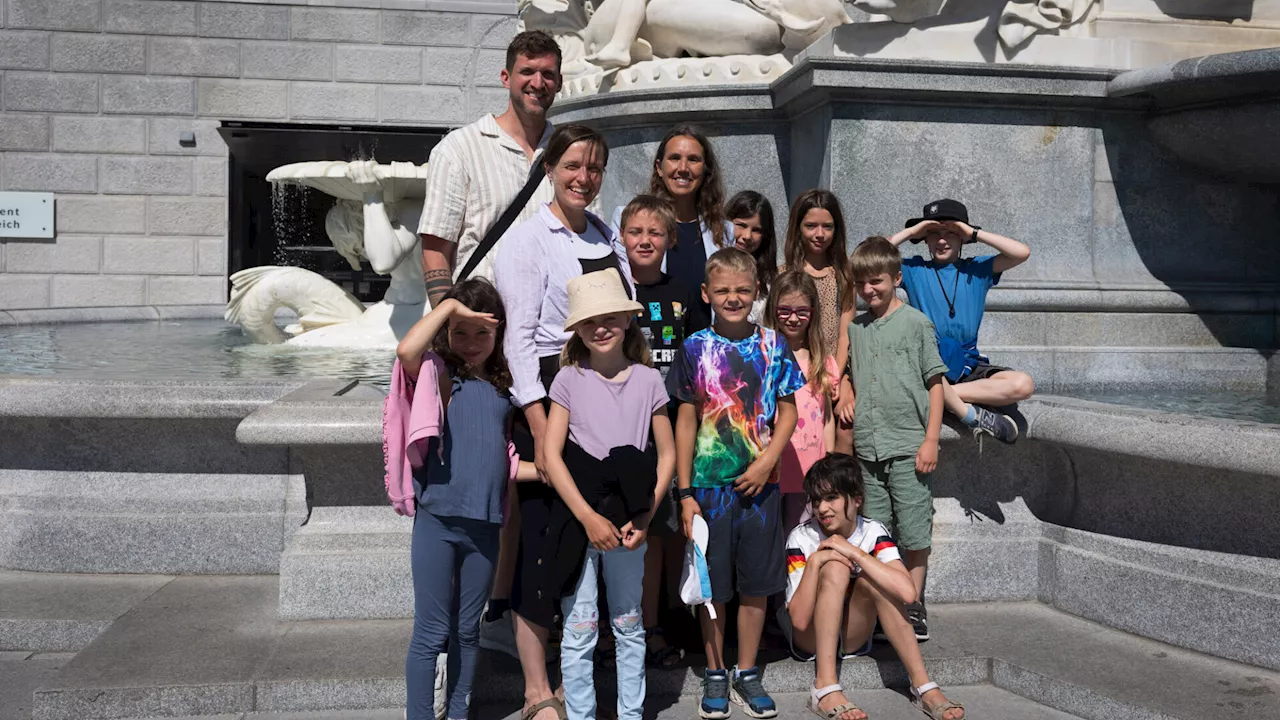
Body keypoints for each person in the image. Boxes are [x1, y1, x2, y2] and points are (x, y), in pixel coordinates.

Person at [417, 28, 562, 661]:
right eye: (528, 71)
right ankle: (463, 620)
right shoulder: (462, 148)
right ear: (506, 77)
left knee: (519, 484)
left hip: (541, 347)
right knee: (479, 485)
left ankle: (501, 608)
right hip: (481, 349)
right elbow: (436, 245)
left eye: (549, 73)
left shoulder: (563, 152)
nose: (538, 82)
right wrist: (454, 344)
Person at [493, 124, 632, 720]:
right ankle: (535, 690)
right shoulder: (528, 239)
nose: (584, 178)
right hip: (551, 395)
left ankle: (585, 664)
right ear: (550, 168)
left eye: (595, 168)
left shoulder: (606, 233)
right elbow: (518, 340)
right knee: (546, 544)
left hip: (607, 391)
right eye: (573, 165)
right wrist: (539, 419)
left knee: (594, 536)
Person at [393, 280, 538, 720]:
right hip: (438, 522)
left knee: (466, 631)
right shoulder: (437, 373)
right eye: (461, 332)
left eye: (482, 333)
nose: (471, 343)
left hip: (486, 526)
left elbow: (504, 460)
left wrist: (558, 473)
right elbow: (405, 351)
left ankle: (458, 714)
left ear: (499, 335)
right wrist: (451, 306)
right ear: (446, 334)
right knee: (431, 632)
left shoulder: (504, 387)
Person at [670, 248, 805, 720]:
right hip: (707, 491)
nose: (733, 298)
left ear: (757, 293)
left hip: (759, 489)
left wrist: (769, 461)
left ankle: (746, 671)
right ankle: (714, 670)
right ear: (707, 294)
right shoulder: (694, 349)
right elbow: (685, 420)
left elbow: (788, 409)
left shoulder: (773, 345)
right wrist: (684, 493)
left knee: (754, 586)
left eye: (742, 291)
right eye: (723, 290)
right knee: (712, 590)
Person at [541, 270, 676, 720]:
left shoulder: (648, 380)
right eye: (589, 321)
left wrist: (646, 515)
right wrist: (586, 517)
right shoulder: (567, 380)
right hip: (582, 518)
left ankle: (631, 714)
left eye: (610, 318)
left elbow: (668, 454)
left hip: (631, 516)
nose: (600, 328)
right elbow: (551, 456)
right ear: (578, 329)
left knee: (628, 621)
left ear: (627, 320)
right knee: (578, 627)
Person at [783, 455, 965, 720]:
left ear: (857, 499)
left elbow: (907, 593)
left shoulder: (872, 531)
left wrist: (856, 554)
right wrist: (816, 563)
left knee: (877, 580)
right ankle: (824, 687)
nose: (822, 508)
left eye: (831, 497)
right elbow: (798, 620)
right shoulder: (802, 536)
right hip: (809, 638)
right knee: (834, 565)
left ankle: (923, 686)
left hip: (852, 633)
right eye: (816, 500)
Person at [617, 193, 709, 668]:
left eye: (656, 232)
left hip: (675, 424)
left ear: (671, 239)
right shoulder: (613, 291)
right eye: (636, 232)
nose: (646, 240)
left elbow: (698, 360)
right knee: (641, 528)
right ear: (622, 237)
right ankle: (637, 623)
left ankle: (672, 616)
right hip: (628, 428)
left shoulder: (686, 292)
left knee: (672, 527)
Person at [839, 236, 946, 642]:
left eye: (877, 282)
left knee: (915, 529)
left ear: (896, 278)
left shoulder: (917, 323)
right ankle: (886, 603)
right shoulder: (857, 328)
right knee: (878, 531)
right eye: (862, 283)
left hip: (907, 444)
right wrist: (846, 389)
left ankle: (914, 603)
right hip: (869, 445)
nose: (869, 290)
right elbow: (848, 371)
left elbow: (936, 384)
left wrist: (931, 439)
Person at [888, 199, 1031, 444]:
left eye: (951, 233)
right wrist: (911, 232)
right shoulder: (912, 269)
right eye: (934, 233)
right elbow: (863, 260)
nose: (942, 240)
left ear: (962, 238)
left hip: (968, 363)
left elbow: (1022, 252)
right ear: (925, 238)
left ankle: (939, 398)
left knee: (1022, 384)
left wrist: (974, 233)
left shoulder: (978, 268)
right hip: (928, 363)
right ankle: (966, 409)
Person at [615, 125, 733, 319]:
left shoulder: (724, 231)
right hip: (651, 344)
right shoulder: (627, 219)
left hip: (705, 346)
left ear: (705, 170)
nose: (683, 168)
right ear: (659, 168)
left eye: (693, 160)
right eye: (675, 158)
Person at [781, 190, 855, 456]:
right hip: (795, 371)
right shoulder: (785, 274)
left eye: (827, 226)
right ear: (798, 228)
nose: (819, 234)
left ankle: (840, 493)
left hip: (833, 372)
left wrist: (838, 377)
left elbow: (845, 334)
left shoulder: (844, 276)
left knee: (845, 427)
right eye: (811, 226)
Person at [764, 270, 836, 532]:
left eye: (802, 311)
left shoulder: (821, 360)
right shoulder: (761, 355)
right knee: (771, 541)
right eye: (785, 310)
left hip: (809, 472)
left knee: (800, 539)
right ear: (773, 309)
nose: (793, 318)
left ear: (813, 312)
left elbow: (826, 416)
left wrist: (828, 460)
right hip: (771, 468)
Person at [725, 191, 778, 326]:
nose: (747, 236)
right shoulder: (708, 266)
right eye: (741, 225)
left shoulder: (770, 280)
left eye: (756, 230)